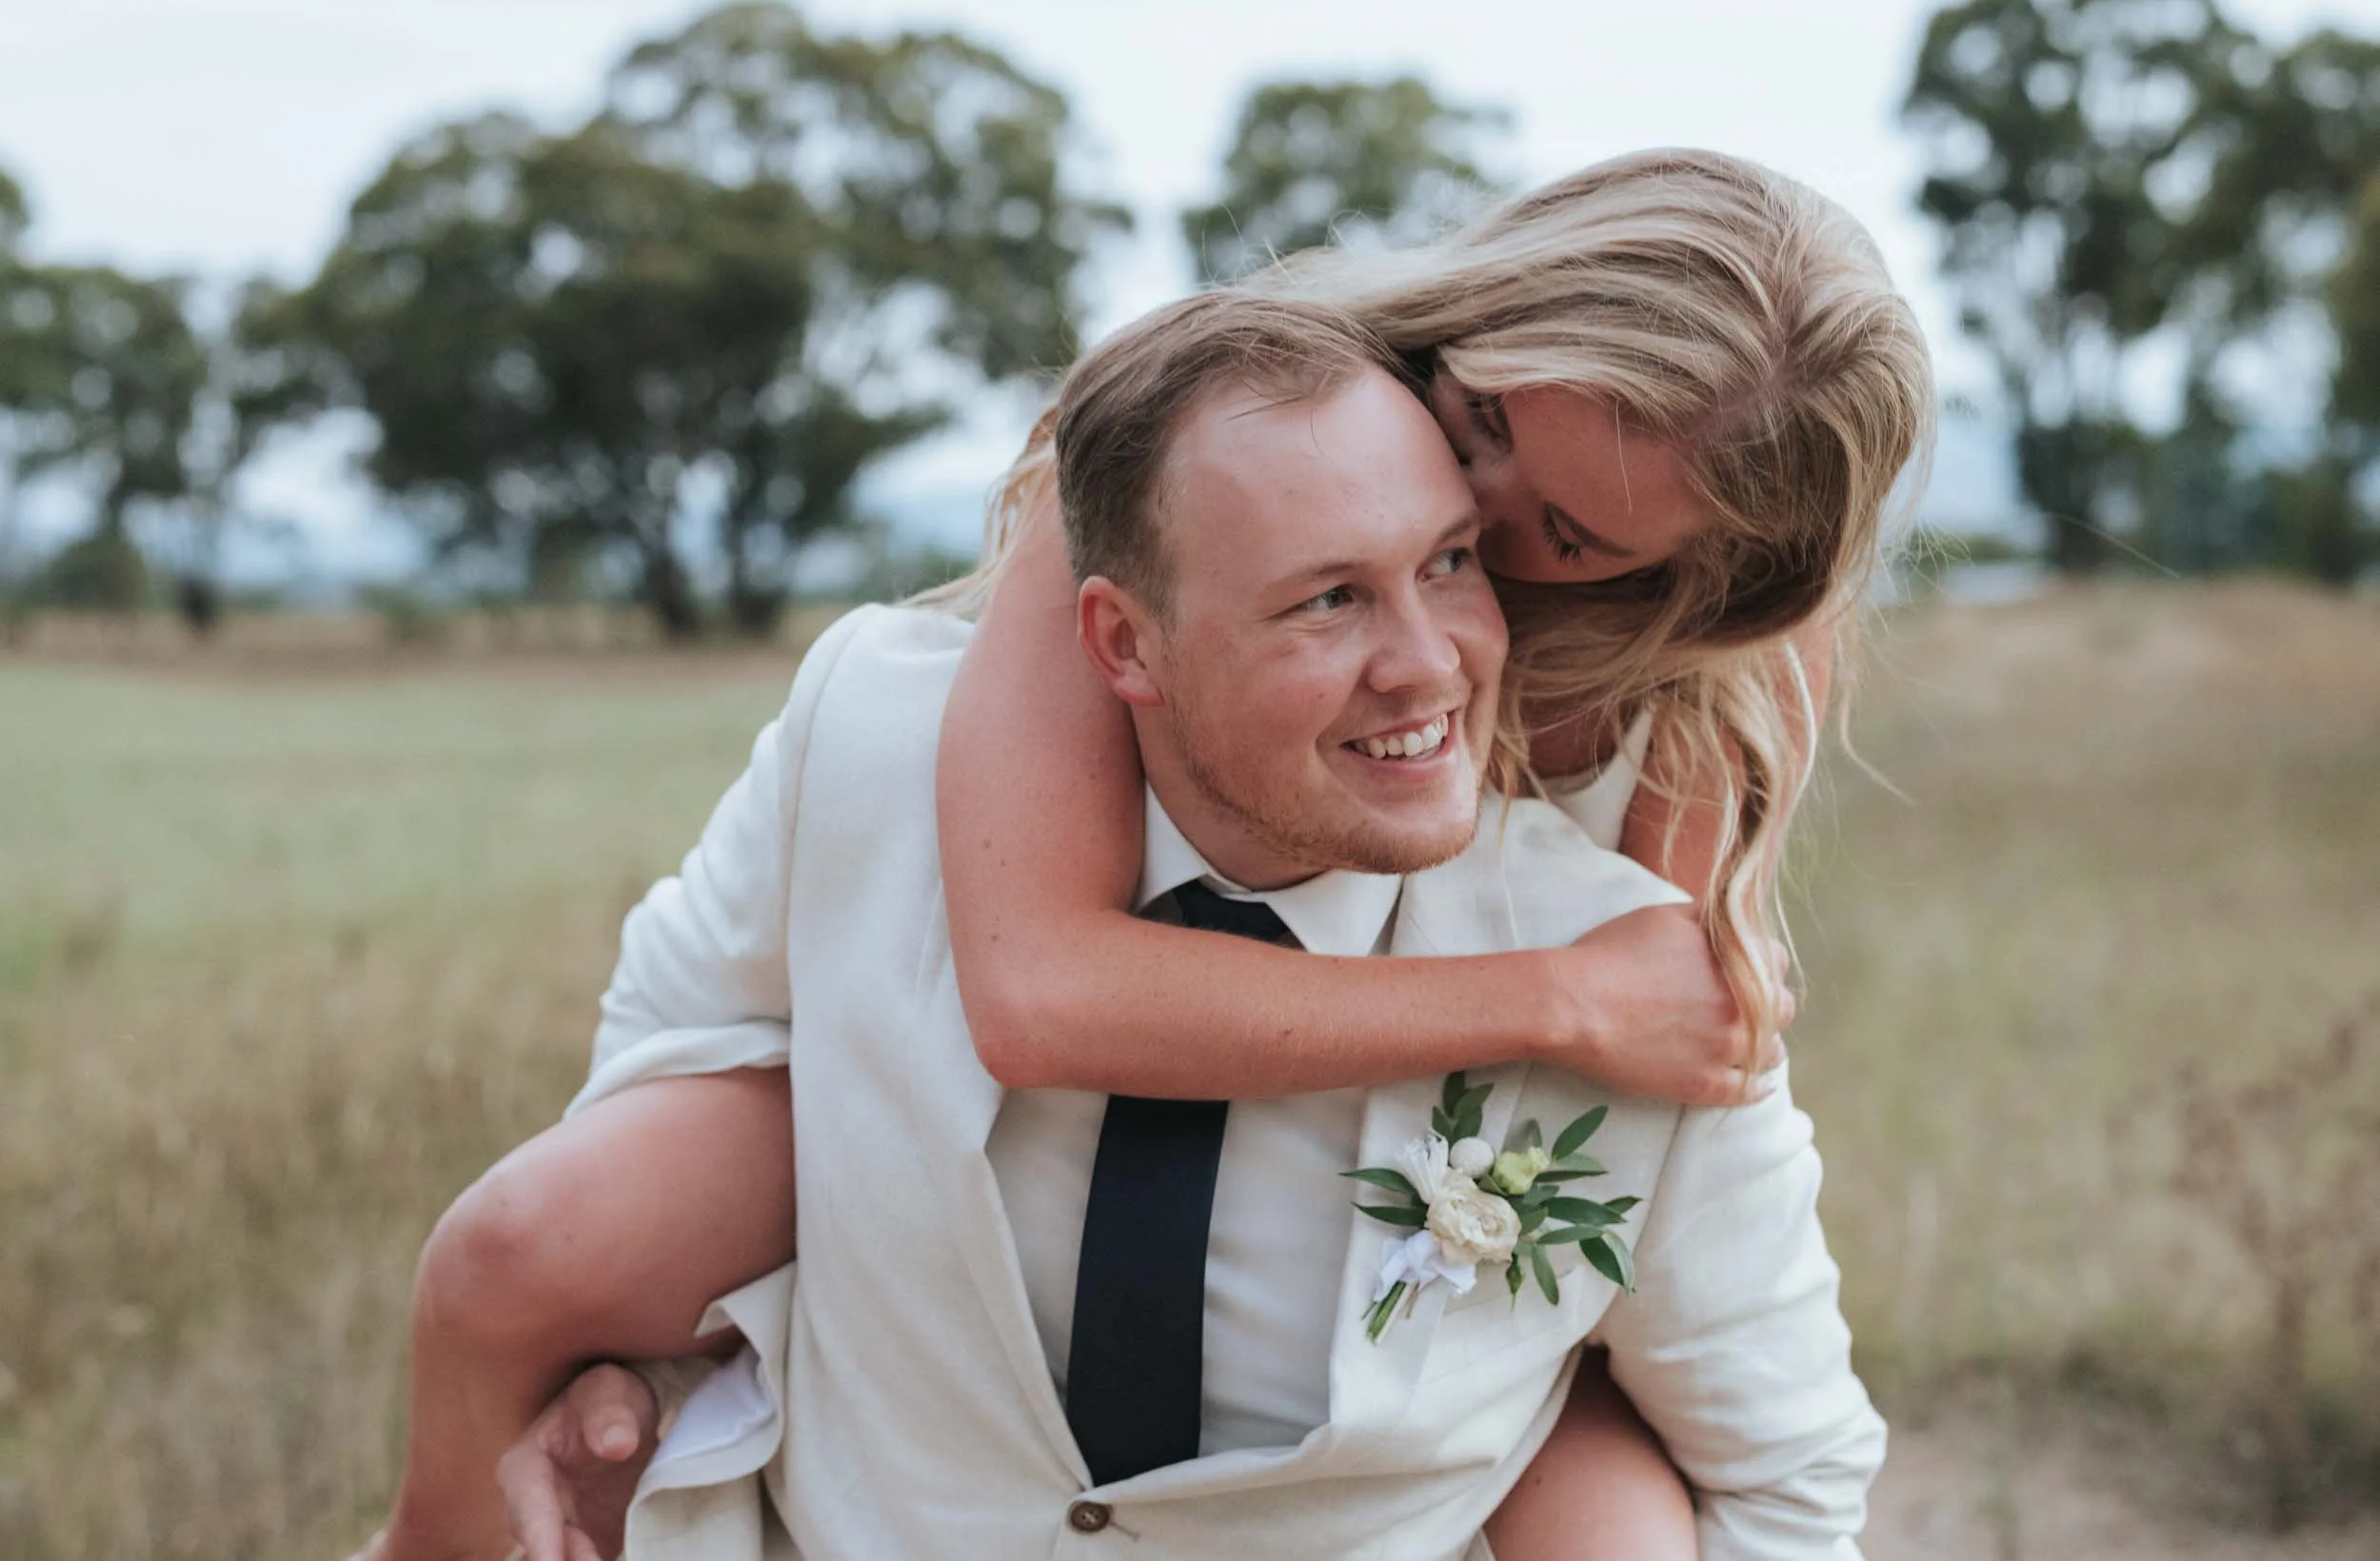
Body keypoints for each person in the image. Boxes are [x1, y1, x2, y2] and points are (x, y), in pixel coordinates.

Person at [362, 147, 1932, 1561]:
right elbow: (1035, 986)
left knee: (1611, 1503)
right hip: (1000, 1084)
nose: (1472, 495)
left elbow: (1659, 1105)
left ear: (1698, 584)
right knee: (552, 1241)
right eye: (1490, 422)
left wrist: (1614, 1040)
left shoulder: (1712, 696)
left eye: (1557, 541)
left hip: (1424, 1304)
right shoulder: (1193, 452)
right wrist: (1556, 1000)